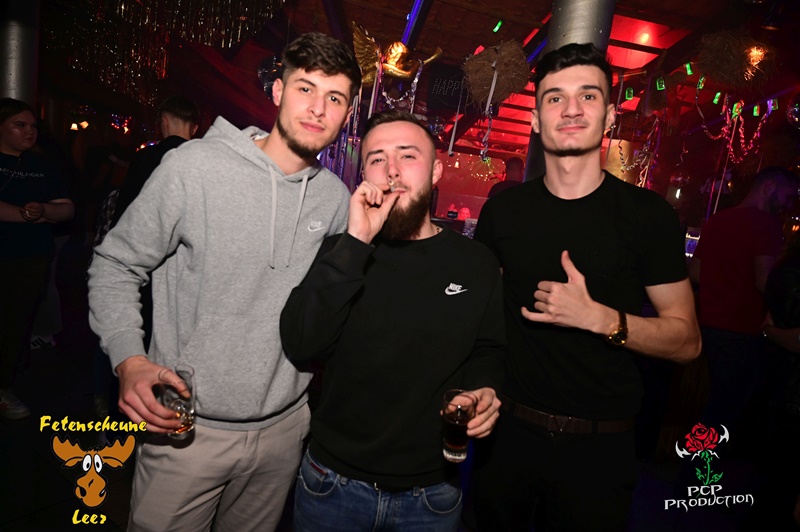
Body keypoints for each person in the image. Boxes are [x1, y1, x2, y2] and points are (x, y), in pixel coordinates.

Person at [87, 32, 361, 531]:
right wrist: (129, 359)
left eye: (335, 98)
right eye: (306, 89)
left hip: (283, 433)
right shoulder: (194, 167)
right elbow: (116, 264)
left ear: (346, 113)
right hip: (185, 429)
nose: (318, 108)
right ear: (278, 91)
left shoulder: (335, 199)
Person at [470, 43, 701, 531]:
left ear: (610, 116)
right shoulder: (504, 213)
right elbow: (480, 321)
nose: (571, 109)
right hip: (508, 438)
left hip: (600, 449)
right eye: (555, 98)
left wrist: (599, 318)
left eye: (588, 96)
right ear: (536, 119)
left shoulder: (648, 217)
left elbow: (687, 342)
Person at [280, 109, 505, 531]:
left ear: (435, 171)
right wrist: (356, 242)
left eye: (408, 155)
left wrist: (484, 389)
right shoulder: (341, 251)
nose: (392, 170)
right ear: (363, 174)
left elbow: (489, 348)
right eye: (377, 158)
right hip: (332, 483)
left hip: (432, 493)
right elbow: (301, 342)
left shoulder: (475, 263)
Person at [689, 166, 797, 441]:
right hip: (743, 330)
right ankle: (697, 466)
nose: (788, 204)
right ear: (769, 187)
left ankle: (695, 462)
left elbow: (696, 272)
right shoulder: (766, 224)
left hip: (709, 325)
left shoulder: (718, 220)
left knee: (717, 405)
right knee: (726, 411)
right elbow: (765, 281)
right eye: (788, 195)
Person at [0, 98, 74, 419]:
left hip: (31, 257)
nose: (29, 131)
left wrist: (44, 210)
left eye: (32, 126)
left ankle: (3, 388)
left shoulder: (42, 164)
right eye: (20, 125)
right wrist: (27, 214)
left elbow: (67, 209)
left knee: (16, 325)